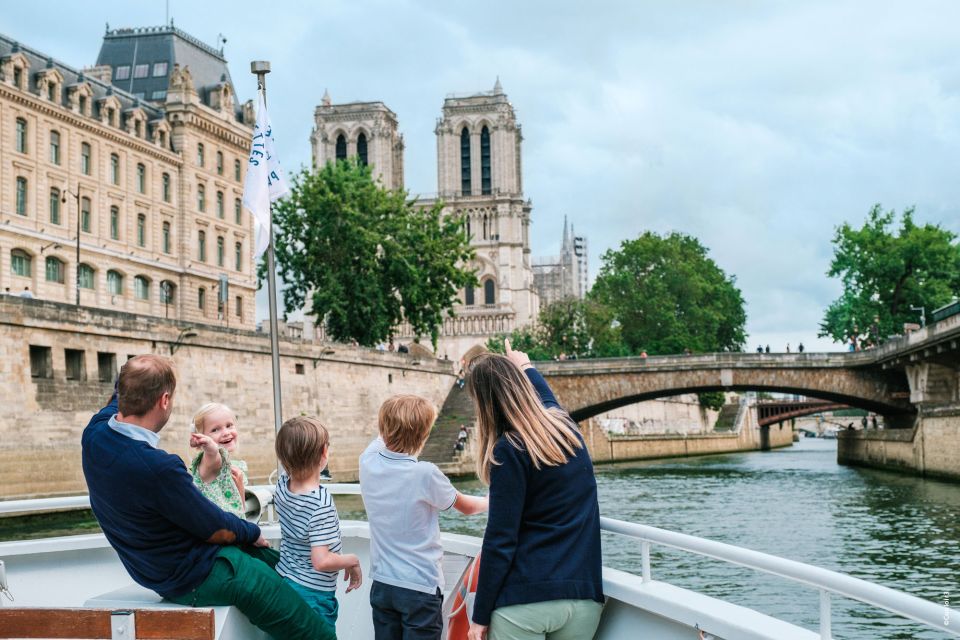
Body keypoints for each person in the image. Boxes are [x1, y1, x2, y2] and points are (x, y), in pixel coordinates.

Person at [81, 355, 336, 640]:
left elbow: (117, 394)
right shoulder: (157, 467)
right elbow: (215, 528)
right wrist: (252, 532)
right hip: (190, 575)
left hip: (154, 567)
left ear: (126, 393)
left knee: (277, 563)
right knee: (287, 605)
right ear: (165, 400)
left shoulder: (95, 431)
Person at [466, 340, 604, 640]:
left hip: (525, 603)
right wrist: (525, 365)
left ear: (484, 405)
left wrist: (479, 616)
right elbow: (547, 399)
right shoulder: (567, 430)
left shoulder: (508, 450)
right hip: (584, 600)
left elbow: (500, 541)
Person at [360, 395, 488, 640]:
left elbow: (380, 437)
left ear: (382, 428)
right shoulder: (425, 473)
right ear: (424, 435)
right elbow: (467, 507)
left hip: (383, 585)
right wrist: (492, 500)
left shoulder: (367, 461)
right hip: (420, 587)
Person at [274, 416, 361, 629]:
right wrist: (352, 560)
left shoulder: (283, 484)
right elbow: (321, 561)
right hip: (313, 595)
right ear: (324, 454)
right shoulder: (321, 504)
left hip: (284, 581)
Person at [189, 403, 248, 518]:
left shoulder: (237, 467)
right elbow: (212, 453)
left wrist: (240, 487)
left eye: (229, 425)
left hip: (234, 531)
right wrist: (207, 444)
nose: (226, 433)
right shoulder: (208, 463)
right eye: (215, 430)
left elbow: (240, 510)